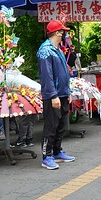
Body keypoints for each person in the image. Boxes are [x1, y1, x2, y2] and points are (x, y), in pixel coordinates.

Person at [37, 20, 76, 170]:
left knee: (61, 125)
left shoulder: (58, 49)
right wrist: (53, 95)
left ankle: (57, 151)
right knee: (51, 126)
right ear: (57, 33)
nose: (64, 34)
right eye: (62, 32)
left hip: (62, 93)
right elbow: (47, 75)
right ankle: (47, 156)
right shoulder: (45, 50)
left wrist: (67, 92)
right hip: (53, 95)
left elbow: (64, 73)